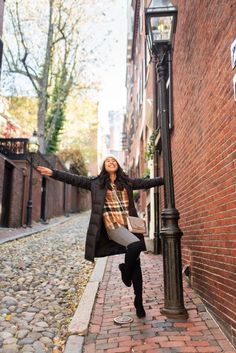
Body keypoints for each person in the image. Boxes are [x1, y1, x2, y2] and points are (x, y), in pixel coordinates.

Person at [37, 155, 164, 318]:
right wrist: (54, 173)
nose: (111, 162)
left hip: (130, 226)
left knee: (136, 264)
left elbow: (148, 183)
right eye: (108, 161)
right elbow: (73, 179)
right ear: (104, 167)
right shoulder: (96, 183)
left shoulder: (127, 183)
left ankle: (138, 302)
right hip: (112, 227)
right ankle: (125, 271)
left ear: (117, 165)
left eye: (114, 161)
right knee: (135, 246)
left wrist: (165, 178)